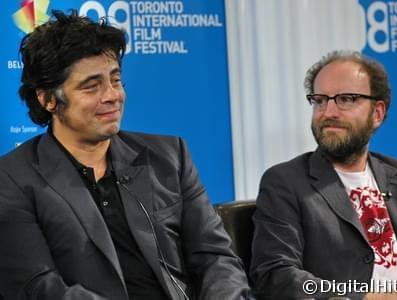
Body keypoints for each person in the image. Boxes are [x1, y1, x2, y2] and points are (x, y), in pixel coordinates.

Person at [0, 10, 250, 300]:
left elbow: (215, 257)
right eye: (91, 86)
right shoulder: (13, 178)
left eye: (115, 80)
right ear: (48, 100)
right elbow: (37, 286)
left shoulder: (170, 156)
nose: (112, 95)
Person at [250, 50, 397, 299]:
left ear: (377, 113)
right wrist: (364, 297)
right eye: (320, 100)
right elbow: (275, 275)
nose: (329, 111)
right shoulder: (286, 183)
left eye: (346, 99)